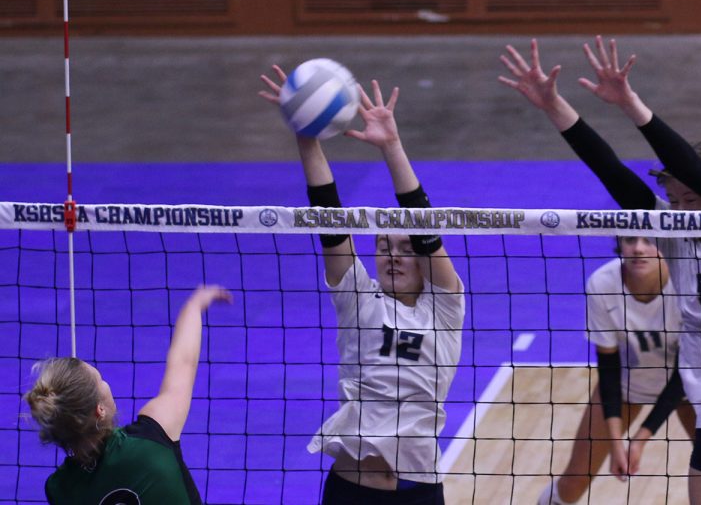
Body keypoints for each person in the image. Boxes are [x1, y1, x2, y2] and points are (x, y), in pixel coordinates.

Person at [500, 38, 701, 505]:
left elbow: (686, 164)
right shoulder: (669, 233)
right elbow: (609, 169)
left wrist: (630, 103)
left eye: (689, 200)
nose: (676, 212)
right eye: (672, 202)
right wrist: (555, 105)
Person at [259, 67, 464, 505]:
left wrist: (392, 146)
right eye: (383, 246)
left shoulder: (445, 308)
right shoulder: (358, 298)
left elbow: (423, 223)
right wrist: (306, 134)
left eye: (405, 248)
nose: (392, 255)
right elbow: (330, 222)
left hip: (417, 493)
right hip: (349, 491)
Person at [25, 285, 232, 504]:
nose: (105, 382)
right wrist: (194, 305)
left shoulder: (59, 490)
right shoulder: (153, 435)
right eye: (100, 379)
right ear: (100, 410)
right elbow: (184, 362)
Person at [536, 236, 695, 505]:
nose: (639, 248)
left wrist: (640, 439)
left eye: (650, 240)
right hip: (625, 386)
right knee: (575, 479)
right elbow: (608, 370)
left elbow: (683, 373)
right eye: (630, 240)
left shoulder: (687, 282)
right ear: (619, 243)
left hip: (689, 388)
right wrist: (615, 441)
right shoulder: (603, 284)